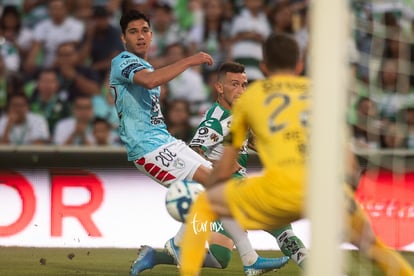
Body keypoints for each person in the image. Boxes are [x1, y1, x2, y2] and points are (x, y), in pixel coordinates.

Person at [179, 33, 414, 276]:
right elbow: (348, 162)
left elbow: (224, 167)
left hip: (279, 191)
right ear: (300, 65)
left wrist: (216, 190)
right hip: (324, 190)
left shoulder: (251, 100)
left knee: (204, 205)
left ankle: (208, 265)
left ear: (264, 67)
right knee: (373, 247)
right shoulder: (321, 95)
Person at [109, 9, 289, 276]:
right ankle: (182, 245)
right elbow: (149, 82)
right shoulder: (123, 61)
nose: (140, 36)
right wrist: (190, 60)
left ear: (151, 33)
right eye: (133, 32)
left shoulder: (145, 65)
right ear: (124, 38)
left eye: (144, 30)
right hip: (147, 150)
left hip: (165, 141)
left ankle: (249, 259)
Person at [189, 61, 307, 269]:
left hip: (237, 189)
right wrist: (219, 164)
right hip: (224, 191)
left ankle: (156, 256)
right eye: (234, 84)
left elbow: (253, 141)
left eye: (244, 85)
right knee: (279, 225)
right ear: (219, 87)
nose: (241, 90)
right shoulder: (215, 120)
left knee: (220, 258)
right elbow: (192, 153)